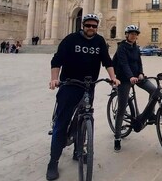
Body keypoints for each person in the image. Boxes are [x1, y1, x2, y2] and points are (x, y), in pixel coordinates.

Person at [46, 13, 120, 180]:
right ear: (83, 26)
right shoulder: (70, 40)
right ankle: (53, 161)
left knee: (85, 118)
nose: (91, 29)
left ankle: (78, 151)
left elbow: (107, 61)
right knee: (62, 123)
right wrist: (54, 79)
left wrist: (113, 77)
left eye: (94, 26)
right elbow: (56, 60)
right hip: (69, 85)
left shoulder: (100, 41)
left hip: (88, 87)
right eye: (88, 26)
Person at [113, 25, 158, 152]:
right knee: (121, 108)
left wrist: (141, 73)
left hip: (136, 77)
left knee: (155, 91)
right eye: (131, 33)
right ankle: (117, 138)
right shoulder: (121, 48)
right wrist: (130, 76)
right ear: (126, 35)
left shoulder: (136, 48)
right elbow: (124, 63)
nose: (134, 35)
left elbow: (139, 62)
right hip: (124, 78)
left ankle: (150, 114)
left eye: (135, 34)